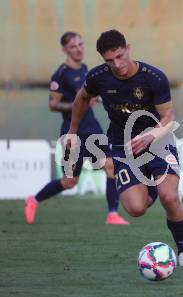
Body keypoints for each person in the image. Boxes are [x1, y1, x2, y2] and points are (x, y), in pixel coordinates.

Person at [66, 29, 183, 267]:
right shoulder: (98, 77)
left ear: (128, 48)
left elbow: (168, 116)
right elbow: (81, 99)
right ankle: (151, 188)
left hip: (158, 140)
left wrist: (150, 136)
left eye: (120, 56)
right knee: (136, 209)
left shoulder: (153, 77)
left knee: (169, 198)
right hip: (122, 145)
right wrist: (72, 132)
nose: (117, 64)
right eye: (109, 60)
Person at [24, 32, 129, 225]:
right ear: (65, 50)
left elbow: (90, 94)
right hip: (73, 133)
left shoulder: (86, 69)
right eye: (73, 46)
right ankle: (33, 200)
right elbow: (52, 104)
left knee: (110, 164)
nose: (79, 49)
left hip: (92, 129)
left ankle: (112, 214)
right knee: (70, 181)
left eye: (81, 44)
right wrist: (77, 103)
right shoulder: (61, 74)